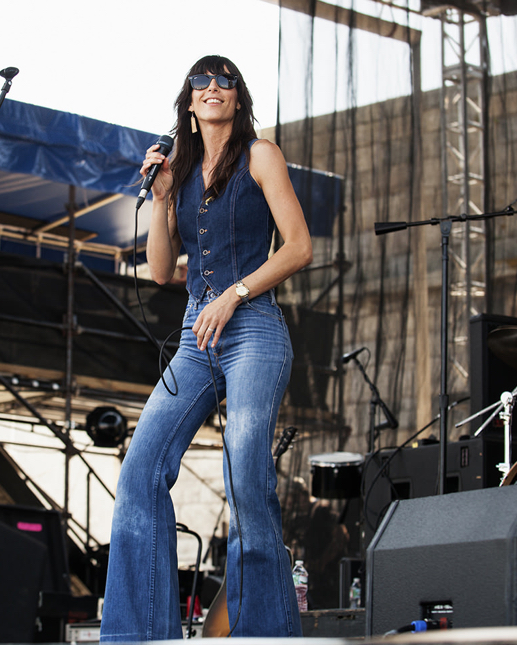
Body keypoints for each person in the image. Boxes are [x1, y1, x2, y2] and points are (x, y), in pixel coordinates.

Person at [99, 55, 313, 641]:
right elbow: (163, 269)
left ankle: (263, 633)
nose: (214, 87)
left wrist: (237, 294)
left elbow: (298, 248)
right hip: (196, 334)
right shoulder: (181, 169)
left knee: (246, 473)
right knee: (141, 470)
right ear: (189, 102)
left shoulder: (259, 155)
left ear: (238, 98)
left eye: (225, 81)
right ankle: (135, 632)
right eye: (202, 81)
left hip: (253, 327)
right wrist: (164, 198)